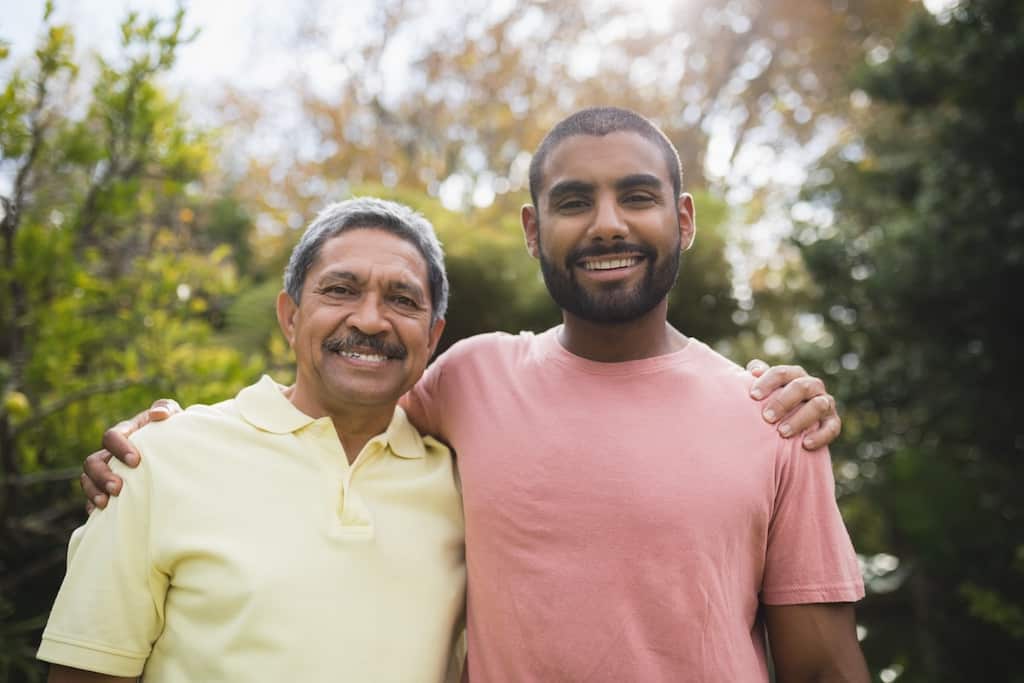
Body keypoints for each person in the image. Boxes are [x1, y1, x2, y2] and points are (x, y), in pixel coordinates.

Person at [80, 107, 863, 681]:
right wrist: (166, 439)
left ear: (682, 218)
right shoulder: (472, 378)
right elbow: (331, 404)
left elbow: (824, 667)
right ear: (532, 230)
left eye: (637, 196)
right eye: (572, 202)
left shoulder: (774, 416)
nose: (605, 225)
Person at [38, 199, 467, 681]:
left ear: (432, 337)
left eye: (402, 300)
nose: (369, 320)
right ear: (290, 317)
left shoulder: (467, 488)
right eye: (341, 290)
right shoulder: (156, 458)